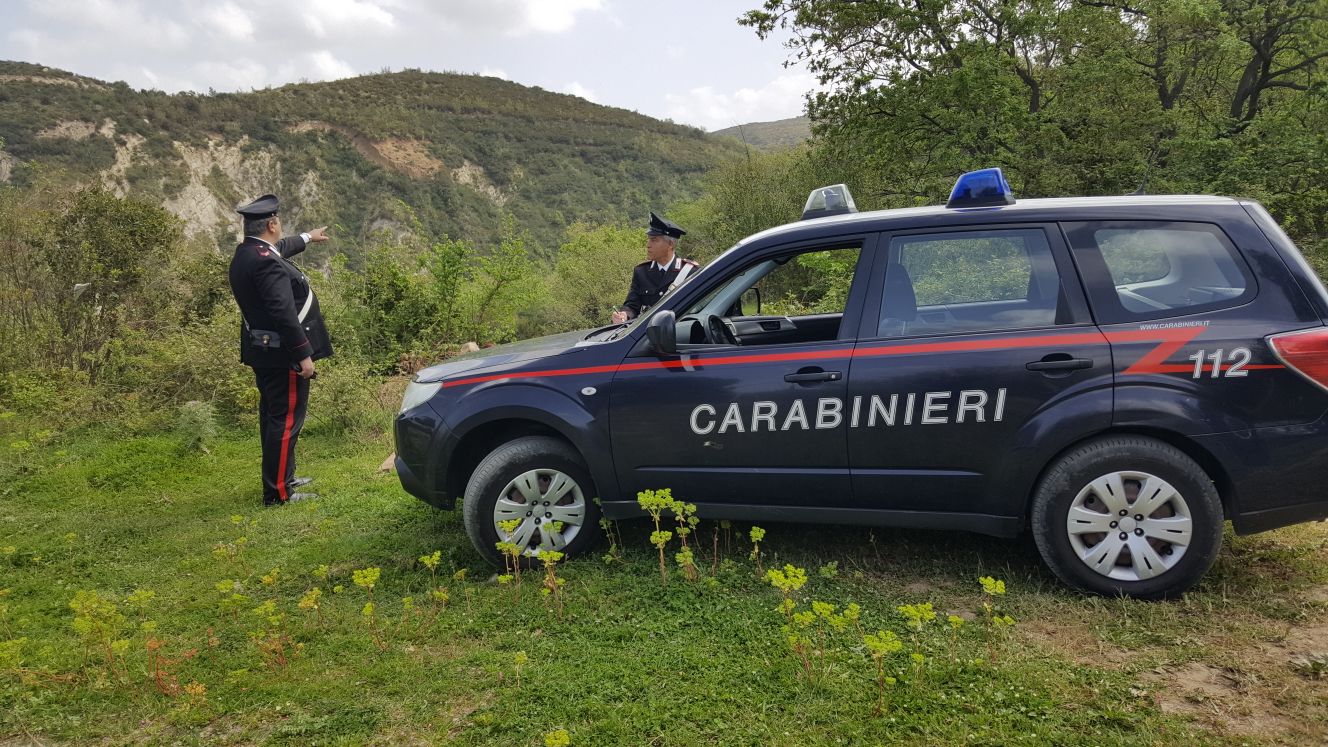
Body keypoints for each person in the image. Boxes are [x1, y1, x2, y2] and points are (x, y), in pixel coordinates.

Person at [228, 194, 333, 506]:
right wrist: (303, 355)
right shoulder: (266, 263)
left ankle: (283, 477)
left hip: (264, 351)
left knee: (274, 416)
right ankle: (278, 492)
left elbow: (279, 249)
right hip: (283, 355)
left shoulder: (248, 253)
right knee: (285, 420)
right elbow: (284, 315)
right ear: (272, 224)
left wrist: (308, 237)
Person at [611, 212, 699, 323]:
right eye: (649, 239)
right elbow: (632, 305)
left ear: (670, 244)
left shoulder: (690, 272)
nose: (648, 245)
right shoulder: (641, 272)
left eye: (654, 240)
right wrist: (624, 315)